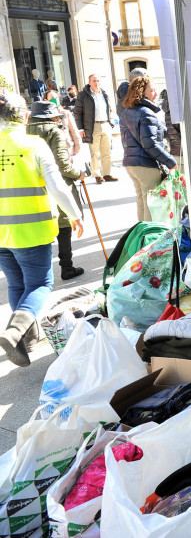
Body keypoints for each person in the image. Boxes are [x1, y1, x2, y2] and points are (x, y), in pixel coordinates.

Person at [0, 90, 83, 367]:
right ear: (22, 115)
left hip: (1, 233)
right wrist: (74, 215)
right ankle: (14, 332)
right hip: (30, 229)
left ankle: (28, 338)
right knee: (40, 283)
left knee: (17, 283)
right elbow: (57, 186)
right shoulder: (33, 144)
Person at [26, 101, 86, 280]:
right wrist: (79, 174)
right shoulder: (54, 132)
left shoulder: (25, 132)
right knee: (64, 226)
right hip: (57, 182)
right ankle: (66, 267)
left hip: (33, 184)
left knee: (40, 228)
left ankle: (37, 272)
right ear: (51, 116)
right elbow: (63, 165)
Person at [121, 76, 176, 222]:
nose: (156, 93)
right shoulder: (146, 112)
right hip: (145, 165)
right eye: (152, 90)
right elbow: (150, 144)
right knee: (151, 204)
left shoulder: (126, 112)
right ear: (141, 93)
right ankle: (148, 239)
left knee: (142, 202)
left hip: (131, 164)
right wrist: (171, 162)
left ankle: (141, 238)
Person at [73, 74, 117, 184]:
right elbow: (77, 112)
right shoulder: (83, 95)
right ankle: (97, 175)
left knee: (106, 151)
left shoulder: (104, 94)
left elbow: (110, 109)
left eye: (98, 81)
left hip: (105, 124)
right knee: (94, 152)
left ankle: (107, 174)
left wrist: (110, 122)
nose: (96, 83)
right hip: (92, 127)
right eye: (94, 81)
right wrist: (81, 128)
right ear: (89, 83)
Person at [159, 88, 191, 175]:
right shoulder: (183, 109)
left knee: (181, 185)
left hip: (176, 153)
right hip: (188, 156)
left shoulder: (168, 108)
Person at [43, 90, 81, 157]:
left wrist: (78, 146)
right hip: (53, 150)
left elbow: (73, 130)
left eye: (56, 97)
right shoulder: (43, 116)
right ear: (46, 100)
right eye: (51, 98)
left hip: (67, 148)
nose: (54, 99)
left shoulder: (65, 113)